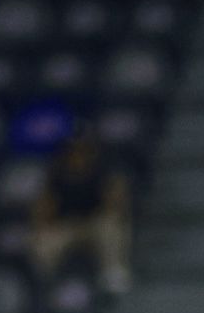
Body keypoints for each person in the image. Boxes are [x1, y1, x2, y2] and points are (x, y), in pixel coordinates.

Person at [30, 126, 133, 295]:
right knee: (45, 238)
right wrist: (42, 221)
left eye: (82, 147)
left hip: (94, 222)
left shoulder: (102, 169)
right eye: (74, 148)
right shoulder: (57, 172)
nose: (78, 152)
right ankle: (44, 283)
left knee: (111, 226)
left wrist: (114, 199)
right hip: (67, 224)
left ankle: (113, 272)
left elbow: (115, 202)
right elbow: (45, 204)